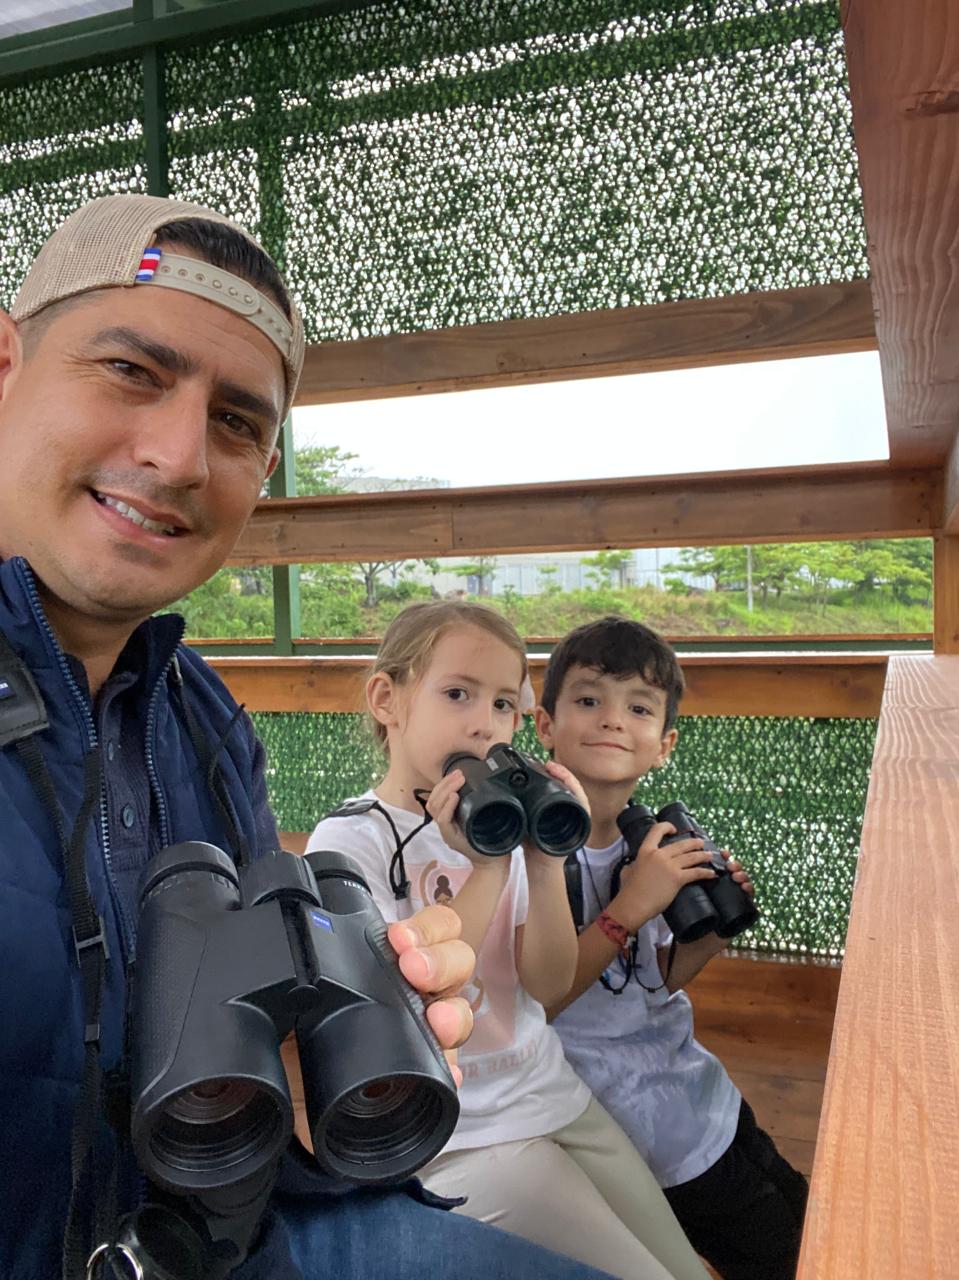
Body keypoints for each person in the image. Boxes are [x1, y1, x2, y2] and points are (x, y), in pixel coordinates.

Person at [0, 194, 619, 1280]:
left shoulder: (200, 718)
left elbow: (249, 1083)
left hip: (222, 1232)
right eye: (131, 371)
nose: (182, 452)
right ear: (7, 363)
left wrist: (310, 1069)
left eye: (239, 421)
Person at [308, 600, 710, 1280]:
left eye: (503, 705)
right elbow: (417, 1003)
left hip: (549, 1089)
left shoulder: (505, 821)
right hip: (464, 1132)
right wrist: (490, 863)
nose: (483, 722)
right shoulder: (350, 841)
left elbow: (547, 985)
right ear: (388, 698)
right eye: (458, 693)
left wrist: (543, 858)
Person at [535, 616, 810, 1280]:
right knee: (785, 1256)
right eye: (588, 699)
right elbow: (538, 997)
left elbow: (652, 980)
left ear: (664, 744)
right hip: (633, 1135)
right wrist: (631, 905)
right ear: (544, 724)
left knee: (805, 1215)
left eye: (638, 708)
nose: (612, 721)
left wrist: (707, 933)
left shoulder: (646, 844)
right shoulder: (530, 851)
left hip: (701, 1099)